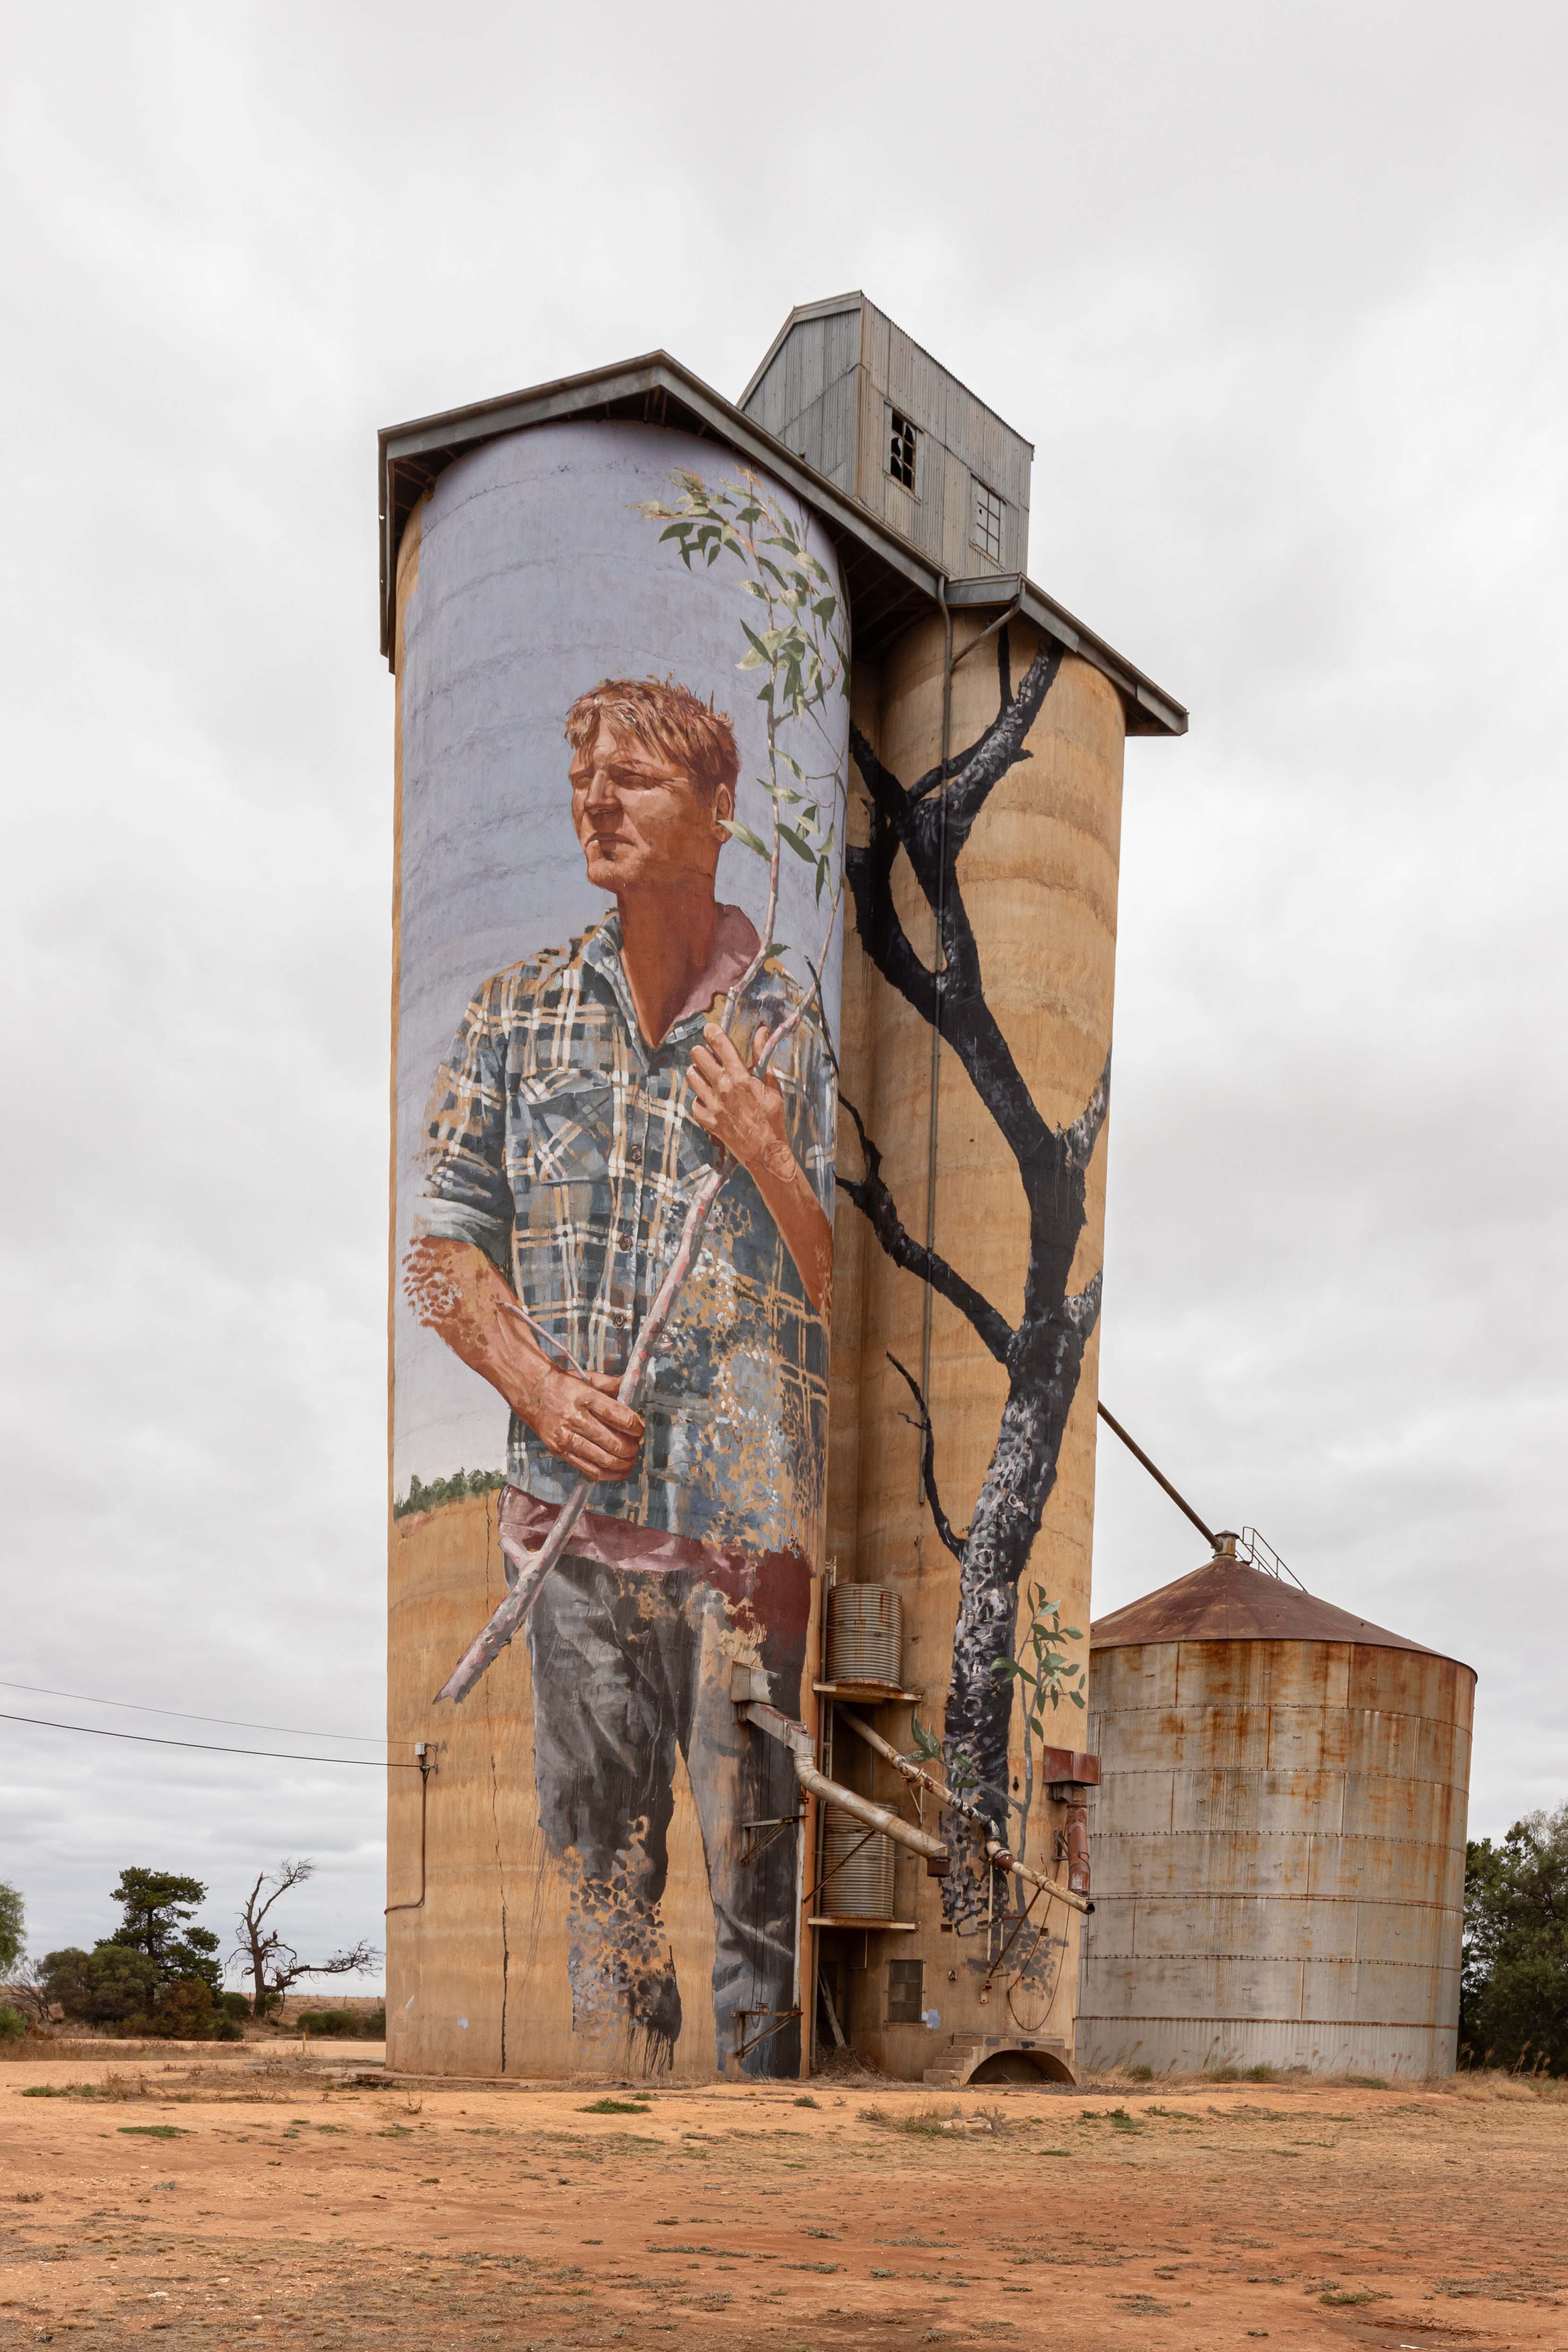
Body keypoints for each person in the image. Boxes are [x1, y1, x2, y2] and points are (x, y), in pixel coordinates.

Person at [405, 675, 835, 2077]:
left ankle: (761, 2190)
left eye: (636, 779)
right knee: (607, 1900)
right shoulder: (516, 1012)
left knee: (760, 1902)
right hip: (571, 1547)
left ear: (718, 813)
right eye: (585, 775)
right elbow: (444, 1249)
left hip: (742, 1550)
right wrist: (537, 1388)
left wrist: (770, 1151)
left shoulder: (784, 1021)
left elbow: (841, 1289)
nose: (599, 799)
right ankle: (616, 2177)